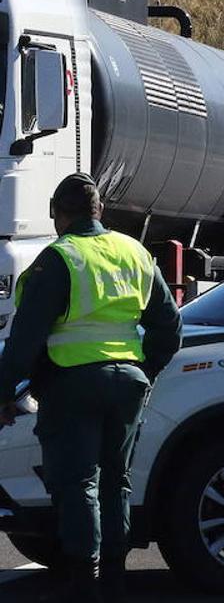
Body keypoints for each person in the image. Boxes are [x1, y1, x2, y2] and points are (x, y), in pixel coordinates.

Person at [0, 173, 181, 602]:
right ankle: (114, 581)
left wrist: (4, 394)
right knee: (116, 480)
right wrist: (144, 371)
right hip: (128, 384)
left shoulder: (58, 259)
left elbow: (24, 342)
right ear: (100, 211)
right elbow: (169, 328)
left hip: (72, 384)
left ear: (58, 215)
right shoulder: (134, 252)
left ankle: (85, 583)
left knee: (77, 483)